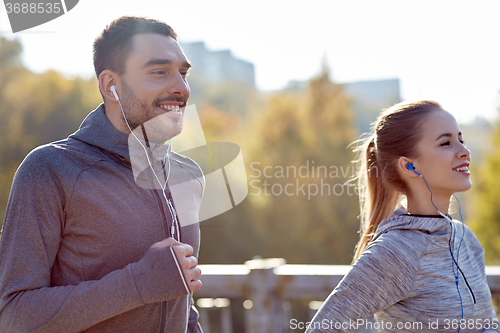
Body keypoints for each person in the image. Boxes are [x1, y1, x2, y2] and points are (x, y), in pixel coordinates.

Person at [0, 16, 205, 332]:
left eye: (183, 73)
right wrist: (138, 283)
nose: (180, 87)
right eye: (159, 72)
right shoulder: (50, 170)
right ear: (112, 86)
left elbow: (181, 303)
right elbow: (13, 316)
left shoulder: (187, 175)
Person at [306, 100, 500, 332]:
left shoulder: (465, 239)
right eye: (446, 143)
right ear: (409, 166)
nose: (464, 152)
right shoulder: (396, 250)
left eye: (461, 140)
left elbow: (488, 324)